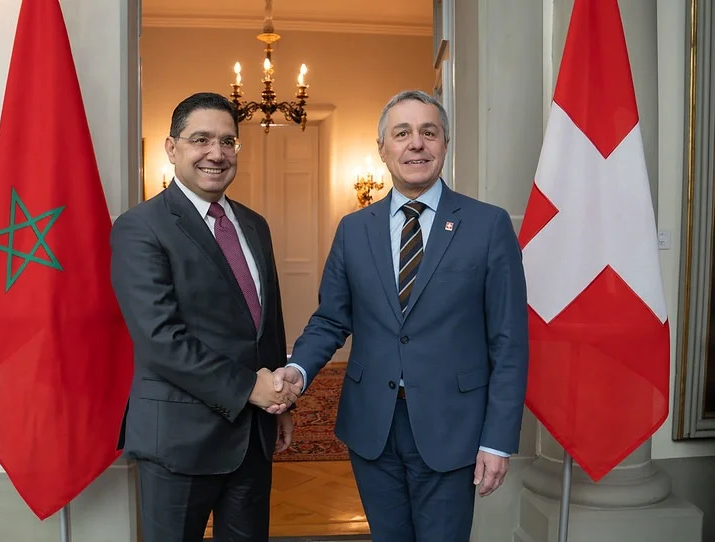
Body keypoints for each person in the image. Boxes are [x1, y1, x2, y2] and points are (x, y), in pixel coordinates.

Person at [269, 89, 529, 541]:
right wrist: (298, 368)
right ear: (383, 149)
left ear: (445, 144)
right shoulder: (354, 229)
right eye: (402, 133)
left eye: (429, 133)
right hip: (373, 425)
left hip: (454, 425)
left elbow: (509, 341)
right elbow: (332, 318)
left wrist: (497, 439)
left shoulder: (488, 226)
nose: (416, 144)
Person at [110, 92, 300, 542]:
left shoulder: (255, 225)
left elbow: (265, 326)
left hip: (253, 436)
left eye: (228, 141)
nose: (217, 153)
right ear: (172, 148)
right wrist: (249, 388)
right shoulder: (141, 227)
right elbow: (160, 340)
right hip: (179, 442)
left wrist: (280, 401)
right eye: (201, 140)